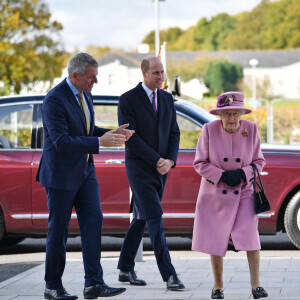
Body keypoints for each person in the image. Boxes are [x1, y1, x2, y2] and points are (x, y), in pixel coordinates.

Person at [37, 52, 134, 300]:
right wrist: (100, 142)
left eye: (96, 76)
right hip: (60, 175)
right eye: (92, 77)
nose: (96, 82)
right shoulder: (54, 100)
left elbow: (88, 131)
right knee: (58, 232)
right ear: (75, 75)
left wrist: (113, 134)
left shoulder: (84, 93)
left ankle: (94, 283)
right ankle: (53, 286)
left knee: (93, 223)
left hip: (85, 172)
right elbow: (61, 142)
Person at [192, 91, 268, 299]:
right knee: (216, 238)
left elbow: (259, 161)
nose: (232, 118)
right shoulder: (209, 129)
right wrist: (221, 175)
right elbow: (199, 163)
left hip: (244, 191)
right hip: (215, 193)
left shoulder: (251, 129)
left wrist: (242, 173)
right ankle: (218, 286)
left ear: (242, 113)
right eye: (227, 114)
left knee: (251, 236)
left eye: (236, 113)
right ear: (220, 115)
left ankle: (256, 285)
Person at [117, 56, 184, 291]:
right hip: (139, 168)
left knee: (141, 217)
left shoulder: (166, 98)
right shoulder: (128, 100)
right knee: (155, 217)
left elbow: (174, 133)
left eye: (162, 72)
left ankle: (125, 268)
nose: (160, 76)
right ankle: (170, 275)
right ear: (144, 73)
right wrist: (157, 160)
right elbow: (130, 138)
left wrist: (170, 161)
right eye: (155, 72)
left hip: (162, 168)